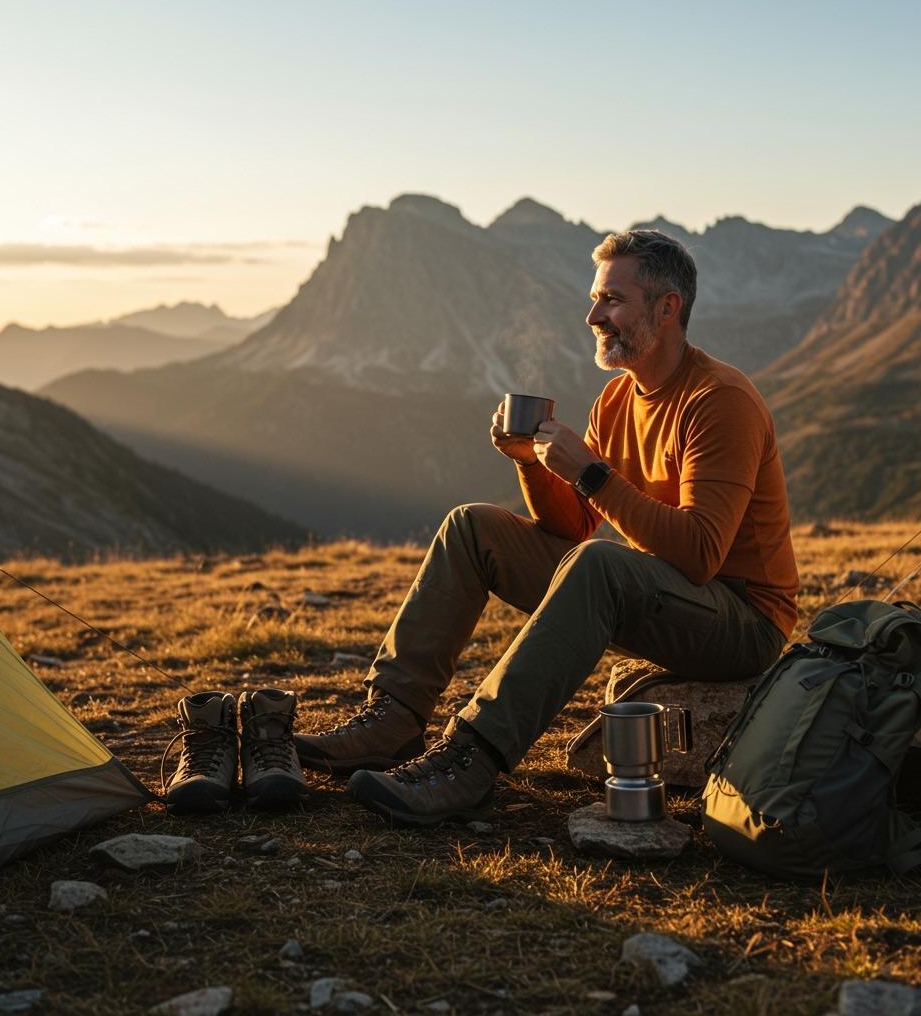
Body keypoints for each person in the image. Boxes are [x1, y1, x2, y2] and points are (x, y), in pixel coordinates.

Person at [294, 229, 799, 826]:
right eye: (595, 298)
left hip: (742, 621)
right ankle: (392, 720)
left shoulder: (719, 399)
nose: (593, 315)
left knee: (601, 566)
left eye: (611, 299)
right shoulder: (618, 399)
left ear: (667, 309)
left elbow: (699, 555)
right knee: (472, 528)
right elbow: (573, 527)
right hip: (667, 596)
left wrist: (590, 472)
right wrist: (531, 462)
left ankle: (472, 758)